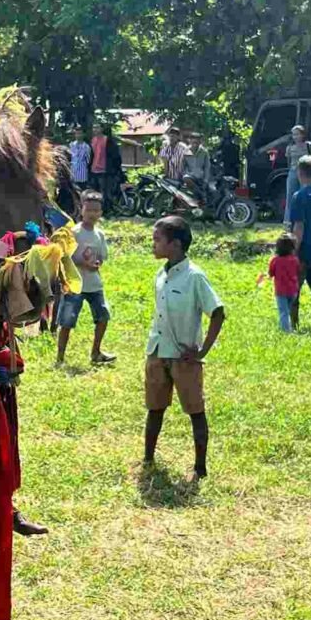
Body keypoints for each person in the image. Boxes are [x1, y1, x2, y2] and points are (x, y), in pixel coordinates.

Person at [143, 216, 225, 481]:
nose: (153, 244)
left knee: (195, 410)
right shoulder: (161, 274)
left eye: (158, 240)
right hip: (158, 351)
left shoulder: (194, 277)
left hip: (183, 357)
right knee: (154, 407)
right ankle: (147, 459)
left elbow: (217, 312)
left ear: (176, 244)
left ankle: (200, 467)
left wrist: (202, 351)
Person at [55, 190, 116, 366]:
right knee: (67, 321)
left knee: (103, 316)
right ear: (81, 210)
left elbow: (102, 256)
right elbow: (65, 256)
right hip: (75, 284)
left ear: (101, 213)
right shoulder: (74, 233)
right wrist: (83, 263)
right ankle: (60, 357)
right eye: (88, 210)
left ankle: (96, 352)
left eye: (96, 211)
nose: (92, 214)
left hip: (94, 284)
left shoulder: (99, 234)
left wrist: (96, 263)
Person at [290, 155, 311, 329]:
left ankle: (293, 325)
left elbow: (298, 228)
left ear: (300, 172)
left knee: (293, 291)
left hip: (304, 252)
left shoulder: (299, 196)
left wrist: (292, 252)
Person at [267, 233, 300, 333]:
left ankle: (286, 331)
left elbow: (271, 273)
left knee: (283, 312)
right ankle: (287, 326)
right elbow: (297, 271)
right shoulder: (295, 260)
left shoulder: (275, 260)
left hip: (281, 291)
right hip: (293, 290)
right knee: (288, 310)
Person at [284, 125, 311, 225]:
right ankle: (288, 220)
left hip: (306, 172)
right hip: (293, 171)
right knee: (290, 195)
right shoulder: (289, 148)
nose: (295, 137)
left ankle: (307, 218)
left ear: (303, 135)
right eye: (294, 135)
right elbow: (288, 161)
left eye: (297, 134)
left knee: (305, 194)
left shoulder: (308, 145)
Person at [89, 122, 123, 212]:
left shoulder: (108, 140)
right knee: (95, 192)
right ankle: (96, 209)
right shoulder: (93, 140)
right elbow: (92, 155)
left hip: (105, 170)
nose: (95, 130)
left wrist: (115, 169)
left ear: (102, 129)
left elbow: (115, 156)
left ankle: (106, 210)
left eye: (97, 127)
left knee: (105, 193)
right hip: (94, 170)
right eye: (94, 128)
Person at [184, 131, 212, 198]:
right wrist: (186, 173)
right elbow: (183, 166)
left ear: (200, 142)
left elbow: (207, 167)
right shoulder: (185, 151)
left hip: (200, 178)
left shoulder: (204, 152)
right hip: (190, 177)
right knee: (186, 178)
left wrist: (205, 181)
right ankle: (200, 193)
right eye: (193, 142)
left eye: (197, 142)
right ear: (190, 141)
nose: (195, 145)